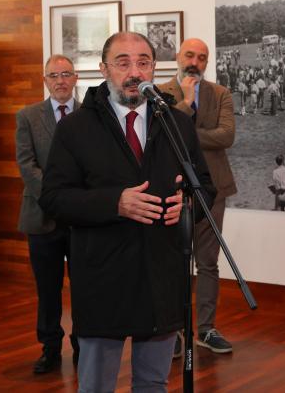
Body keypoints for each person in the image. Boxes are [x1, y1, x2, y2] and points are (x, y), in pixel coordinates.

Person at [39, 32, 216, 392]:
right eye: (123, 63)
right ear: (104, 69)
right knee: (97, 386)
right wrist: (114, 203)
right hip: (104, 278)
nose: (134, 71)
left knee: (153, 383)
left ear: (154, 67)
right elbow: (54, 198)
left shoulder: (177, 124)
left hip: (162, 276)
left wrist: (187, 207)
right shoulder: (76, 128)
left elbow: (206, 188)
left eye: (143, 62)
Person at [158, 37, 238, 354]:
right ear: (178, 56)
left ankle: (205, 329)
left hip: (213, 188)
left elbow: (227, 136)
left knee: (208, 262)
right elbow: (160, 132)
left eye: (202, 57)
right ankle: (175, 331)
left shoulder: (221, 94)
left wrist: (186, 131)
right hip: (171, 190)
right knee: (173, 262)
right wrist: (187, 102)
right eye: (189, 54)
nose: (195, 61)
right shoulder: (160, 93)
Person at [15, 54, 80, 374]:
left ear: (76, 78)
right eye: (54, 76)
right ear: (45, 80)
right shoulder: (28, 117)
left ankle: (84, 343)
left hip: (83, 219)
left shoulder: (92, 115)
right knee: (48, 289)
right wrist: (57, 200)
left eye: (66, 74)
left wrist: (77, 203)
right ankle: (50, 347)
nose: (60, 81)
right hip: (42, 216)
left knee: (84, 286)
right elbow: (27, 166)